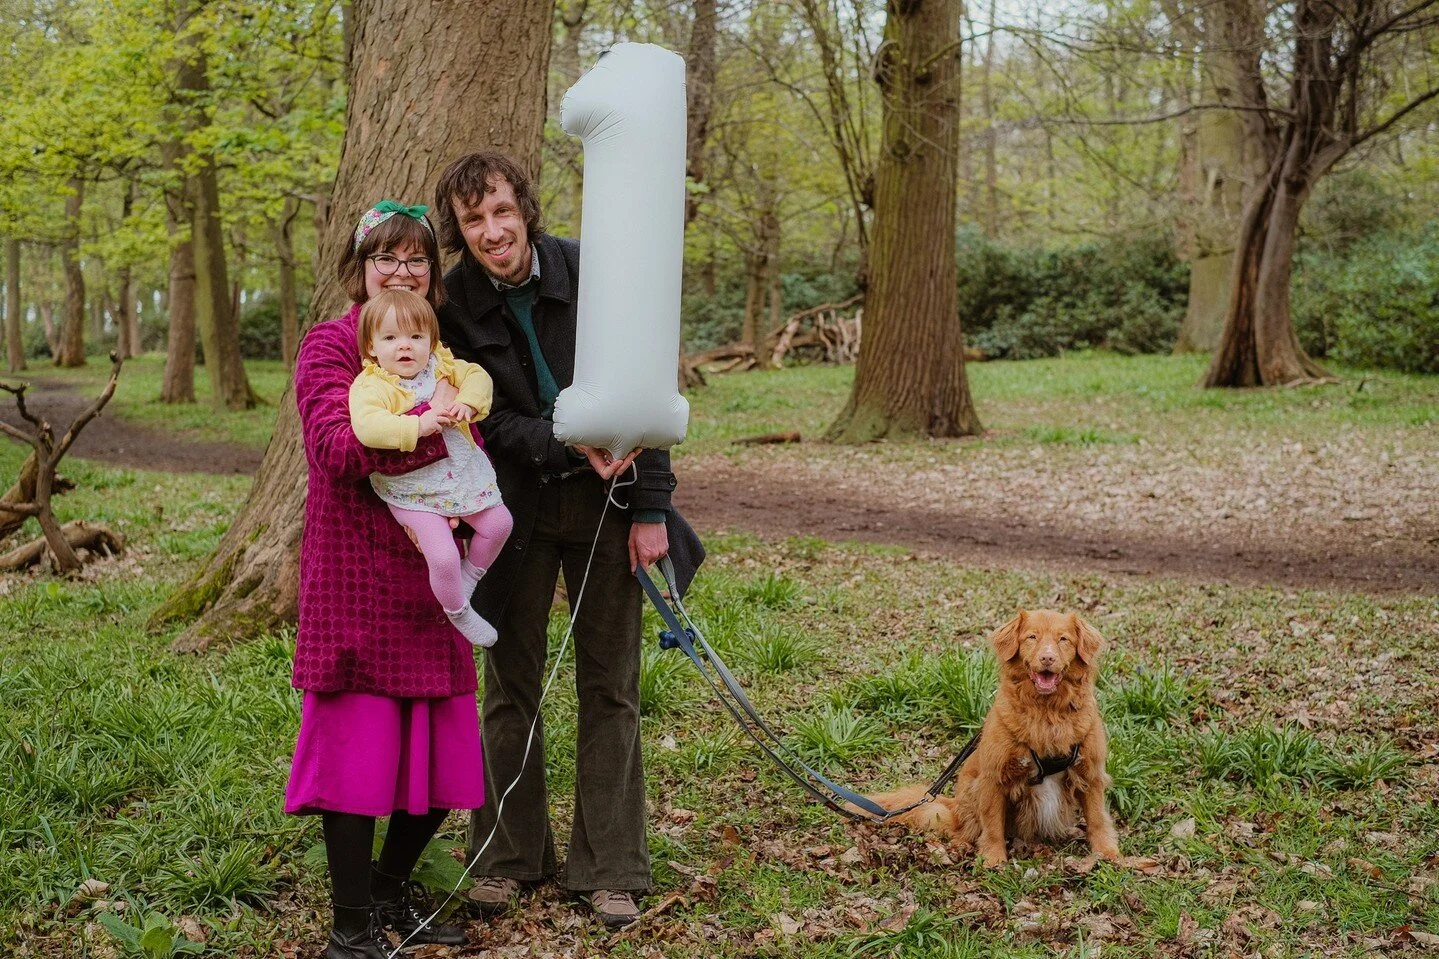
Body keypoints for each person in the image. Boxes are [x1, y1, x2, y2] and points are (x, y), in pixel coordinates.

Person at [433, 151, 704, 929]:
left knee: (610, 684)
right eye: (473, 220)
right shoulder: (453, 303)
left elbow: (646, 388)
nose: (492, 231)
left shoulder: (593, 272)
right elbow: (480, 419)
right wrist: (561, 441)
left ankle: (610, 865)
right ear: (460, 231)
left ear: (525, 208)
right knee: (509, 684)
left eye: (501, 211)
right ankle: (506, 857)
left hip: (608, 503)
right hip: (507, 508)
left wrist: (650, 507)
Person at [285, 201, 482, 959]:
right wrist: (434, 434)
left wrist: (463, 452)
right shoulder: (331, 344)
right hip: (357, 573)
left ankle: (391, 888)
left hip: (434, 576)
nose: (402, 272)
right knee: (357, 758)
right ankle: (350, 926)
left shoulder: (434, 346)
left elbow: (475, 432)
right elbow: (334, 450)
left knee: (443, 753)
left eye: (416, 260)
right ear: (360, 268)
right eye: (386, 258)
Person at [349, 286, 514, 648]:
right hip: (411, 489)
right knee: (442, 556)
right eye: (391, 338)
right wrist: (417, 425)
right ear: (372, 346)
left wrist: (468, 403)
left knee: (500, 524)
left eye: (415, 336)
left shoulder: (443, 365)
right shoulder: (372, 384)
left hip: (458, 475)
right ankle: (458, 611)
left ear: (431, 341)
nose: (404, 346)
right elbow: (367, 426)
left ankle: (469, 579)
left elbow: (478, 377)